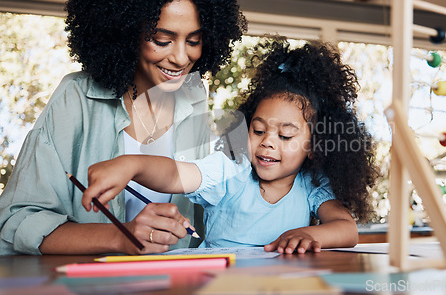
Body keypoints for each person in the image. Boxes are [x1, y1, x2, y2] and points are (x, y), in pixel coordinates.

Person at [0, 0, 246, 255]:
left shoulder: (193, 95)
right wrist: (120, 237)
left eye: (193, 41)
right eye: (162, 39)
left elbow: (202, 192)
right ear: (127, 32)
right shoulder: (76, 96)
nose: (181, 58)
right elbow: (14, 222)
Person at [83, 38, 378, 254]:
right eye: (258, 129)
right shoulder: (232, 167)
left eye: (285, 136)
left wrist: (310, 233)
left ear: (314, 146)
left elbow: (346, 229)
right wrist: (132, 164)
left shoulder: (312, 185)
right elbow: (176, 175)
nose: (267, 142)